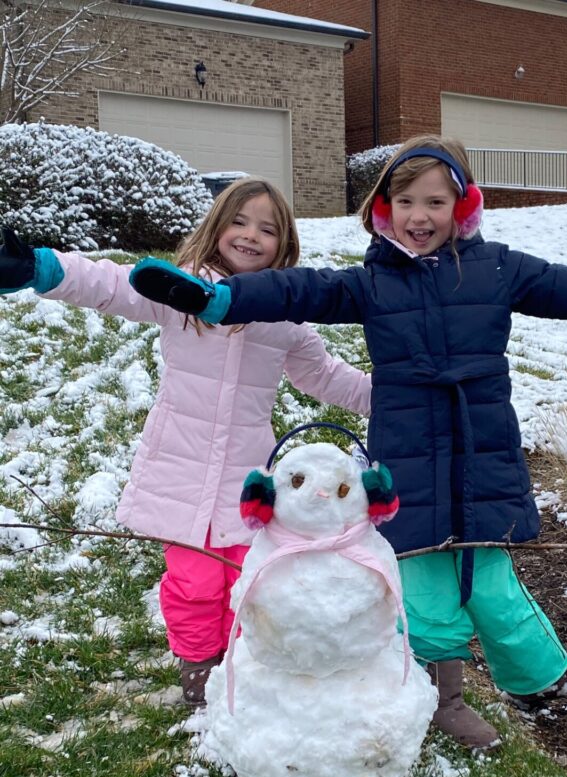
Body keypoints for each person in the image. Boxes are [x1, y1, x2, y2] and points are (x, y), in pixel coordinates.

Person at [127, 135, 567, 750]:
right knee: (421, 589)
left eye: (435, 202)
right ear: (384, 209)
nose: (420, 217)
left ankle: (542, 682)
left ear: (462, 205)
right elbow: (297, 290)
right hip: (408, 454)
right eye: (405, 202)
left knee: (491, 585)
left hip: (483, 451)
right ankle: (441, 698)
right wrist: (222, 300)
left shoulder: (500, 268)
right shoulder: (371, 283)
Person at [0, 178, 371, 705]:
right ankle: (199, 667)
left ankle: (243, 663)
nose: (250, 236)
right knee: (195, 581)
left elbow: (327, 377)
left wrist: (393, 397)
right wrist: (41, 268)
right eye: (239, 222)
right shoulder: (178, 293)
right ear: (217, 227)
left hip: (246, 473)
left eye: (267, 229)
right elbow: (109, 283)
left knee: (247, 580)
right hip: (181, 465)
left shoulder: (283, 314)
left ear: (283, 244)